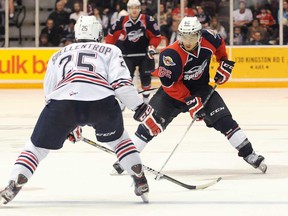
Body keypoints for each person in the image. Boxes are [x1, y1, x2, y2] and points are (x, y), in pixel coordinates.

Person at [0, 15, 165, 205]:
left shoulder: (58, 54)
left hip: (63, 104)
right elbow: (121, 84)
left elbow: (50, 93)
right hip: (101, 103)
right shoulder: (110, 49)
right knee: (120, 140)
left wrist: (69, 124)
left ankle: (14, 182)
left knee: (36, 148)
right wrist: (141, 108)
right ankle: (139, 176)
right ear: (98, 33)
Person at [112, 16, 267, 175]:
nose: (187, 40)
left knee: (225, 120)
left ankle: (250, 154)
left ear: (199, 34)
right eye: (184, 35)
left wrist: (224, 63)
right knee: (151, 124)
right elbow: (170, 85)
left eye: (192, 35)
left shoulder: (211, 38)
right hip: (171, 95)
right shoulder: (170, 54)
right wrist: (191, 101)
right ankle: (126, 158)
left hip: (201, 89)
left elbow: (220, 46)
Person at [105, 0, 161, 104]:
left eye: (136, 7)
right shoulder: (121, 20)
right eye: (131, 8)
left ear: (140, 8)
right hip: (127, 55)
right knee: (126, 78)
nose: (134, 10)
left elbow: (156, 36)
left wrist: (152, 47)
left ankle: (145, 98)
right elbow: (111, 36)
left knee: (146, 76)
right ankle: (123, 101)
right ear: (128, 9)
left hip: (145, 54)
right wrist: (110, 49)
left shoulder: (148, 20)